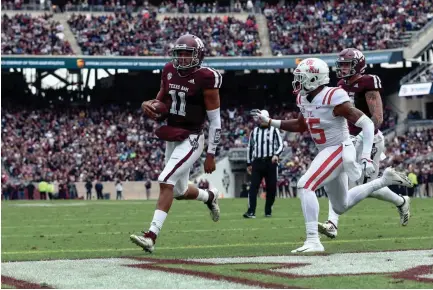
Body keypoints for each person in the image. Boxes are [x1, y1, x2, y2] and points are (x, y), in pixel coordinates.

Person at [252, 58, 413, 252]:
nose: (298, 81)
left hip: (339, 147)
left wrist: (366, 157)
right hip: (325, 149)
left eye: (302, 77)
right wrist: (270, 121)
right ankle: (383, 180)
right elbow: (300, 125)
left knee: (305, 185)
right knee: (340, 206)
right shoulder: (303, 98)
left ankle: (313, 240)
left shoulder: (333, 96)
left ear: (314, 79)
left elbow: (368, 123)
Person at [130, 34, 222, 253]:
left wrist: (211, 153)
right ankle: (209, 196)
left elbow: (215, 120)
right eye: (179, 53)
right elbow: (161, 100)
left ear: (198, 56)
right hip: (173, 133)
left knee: (165, 179)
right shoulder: (169, 70)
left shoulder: (206, 78)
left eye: (187, 53)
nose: (181, 58)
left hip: (192, 137)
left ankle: (151, 236)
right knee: (179, 191)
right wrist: (152, 105)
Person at [318, 48, 411, 239]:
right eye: (341, 64)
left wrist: (360, 138)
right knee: (342, 178)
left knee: (361, 185)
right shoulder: (341, 84)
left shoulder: (368, 82)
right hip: (348, 139)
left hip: (369, 139)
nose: (342, 68)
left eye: (346, 64)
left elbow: (377, 117)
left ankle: (401, 201)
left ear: (357, 65)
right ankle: (332, 223)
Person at [243, 110, 283, 218]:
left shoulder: (274, 130)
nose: (261, 121)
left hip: (270, 161)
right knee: (253, 187)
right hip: (257, 162)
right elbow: (250, 148)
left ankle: (268, 210)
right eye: (260, 119)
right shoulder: (254, 131)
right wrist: (249, 163)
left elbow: (280, 145)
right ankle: (251, 211)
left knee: (271, 188)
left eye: (263, 118)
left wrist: (276, 155)